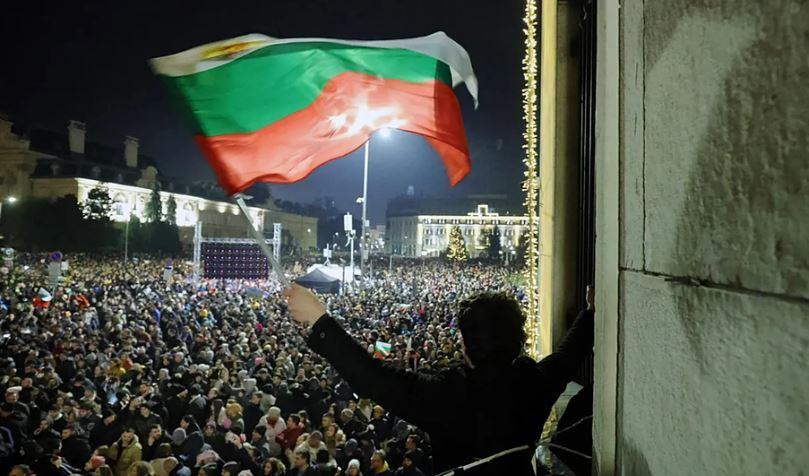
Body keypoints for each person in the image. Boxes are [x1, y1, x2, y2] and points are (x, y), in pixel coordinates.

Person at [285, 285, 595, 475]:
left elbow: (373, 378)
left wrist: (319, 320)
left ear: (466, 344)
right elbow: (568, 356)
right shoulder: (534, 383)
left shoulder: (447, 395)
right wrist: (591, 313)